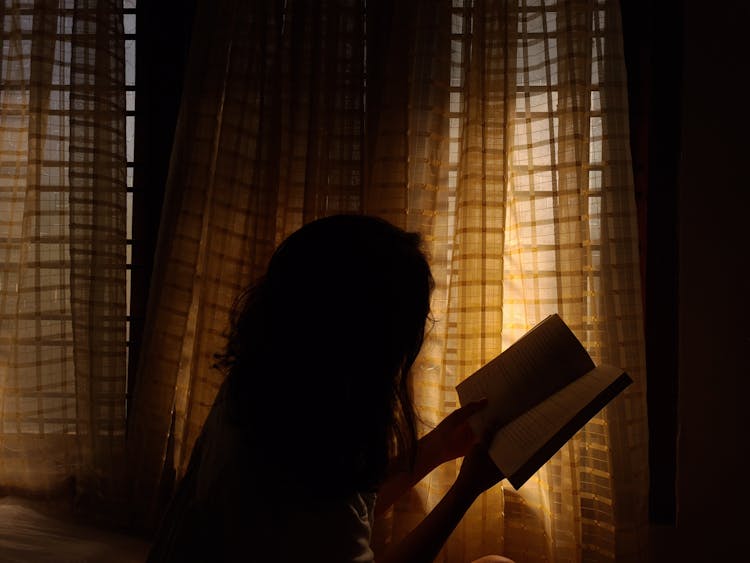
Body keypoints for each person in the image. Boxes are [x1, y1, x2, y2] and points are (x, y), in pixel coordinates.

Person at [146, 214, 514, 563]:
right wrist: (465, 490)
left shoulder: (264, 388)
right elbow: (327, 511)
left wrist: (436, 448)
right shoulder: (298, 444)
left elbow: (336, 513)